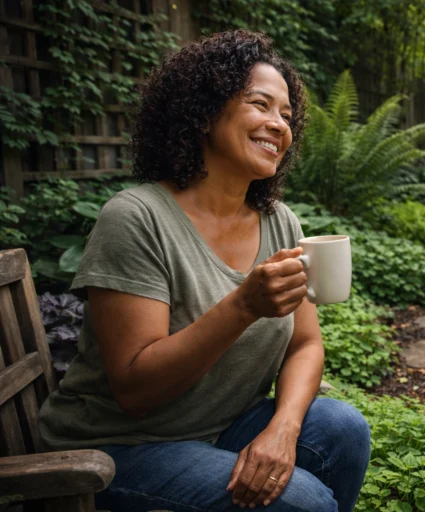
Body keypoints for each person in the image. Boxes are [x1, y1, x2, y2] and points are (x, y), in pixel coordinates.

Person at [38, 29, 371, 512]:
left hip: (221, 427)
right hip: (120, 446)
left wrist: (281, 428)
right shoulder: (136, 217)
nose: (278, 124)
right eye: (260, 104)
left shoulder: (280, 221)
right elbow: (136, 391)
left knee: (343, 428)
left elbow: (305, 343)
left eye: (286, 115)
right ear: (203, 111)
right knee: (305, 502)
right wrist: (243, 306)